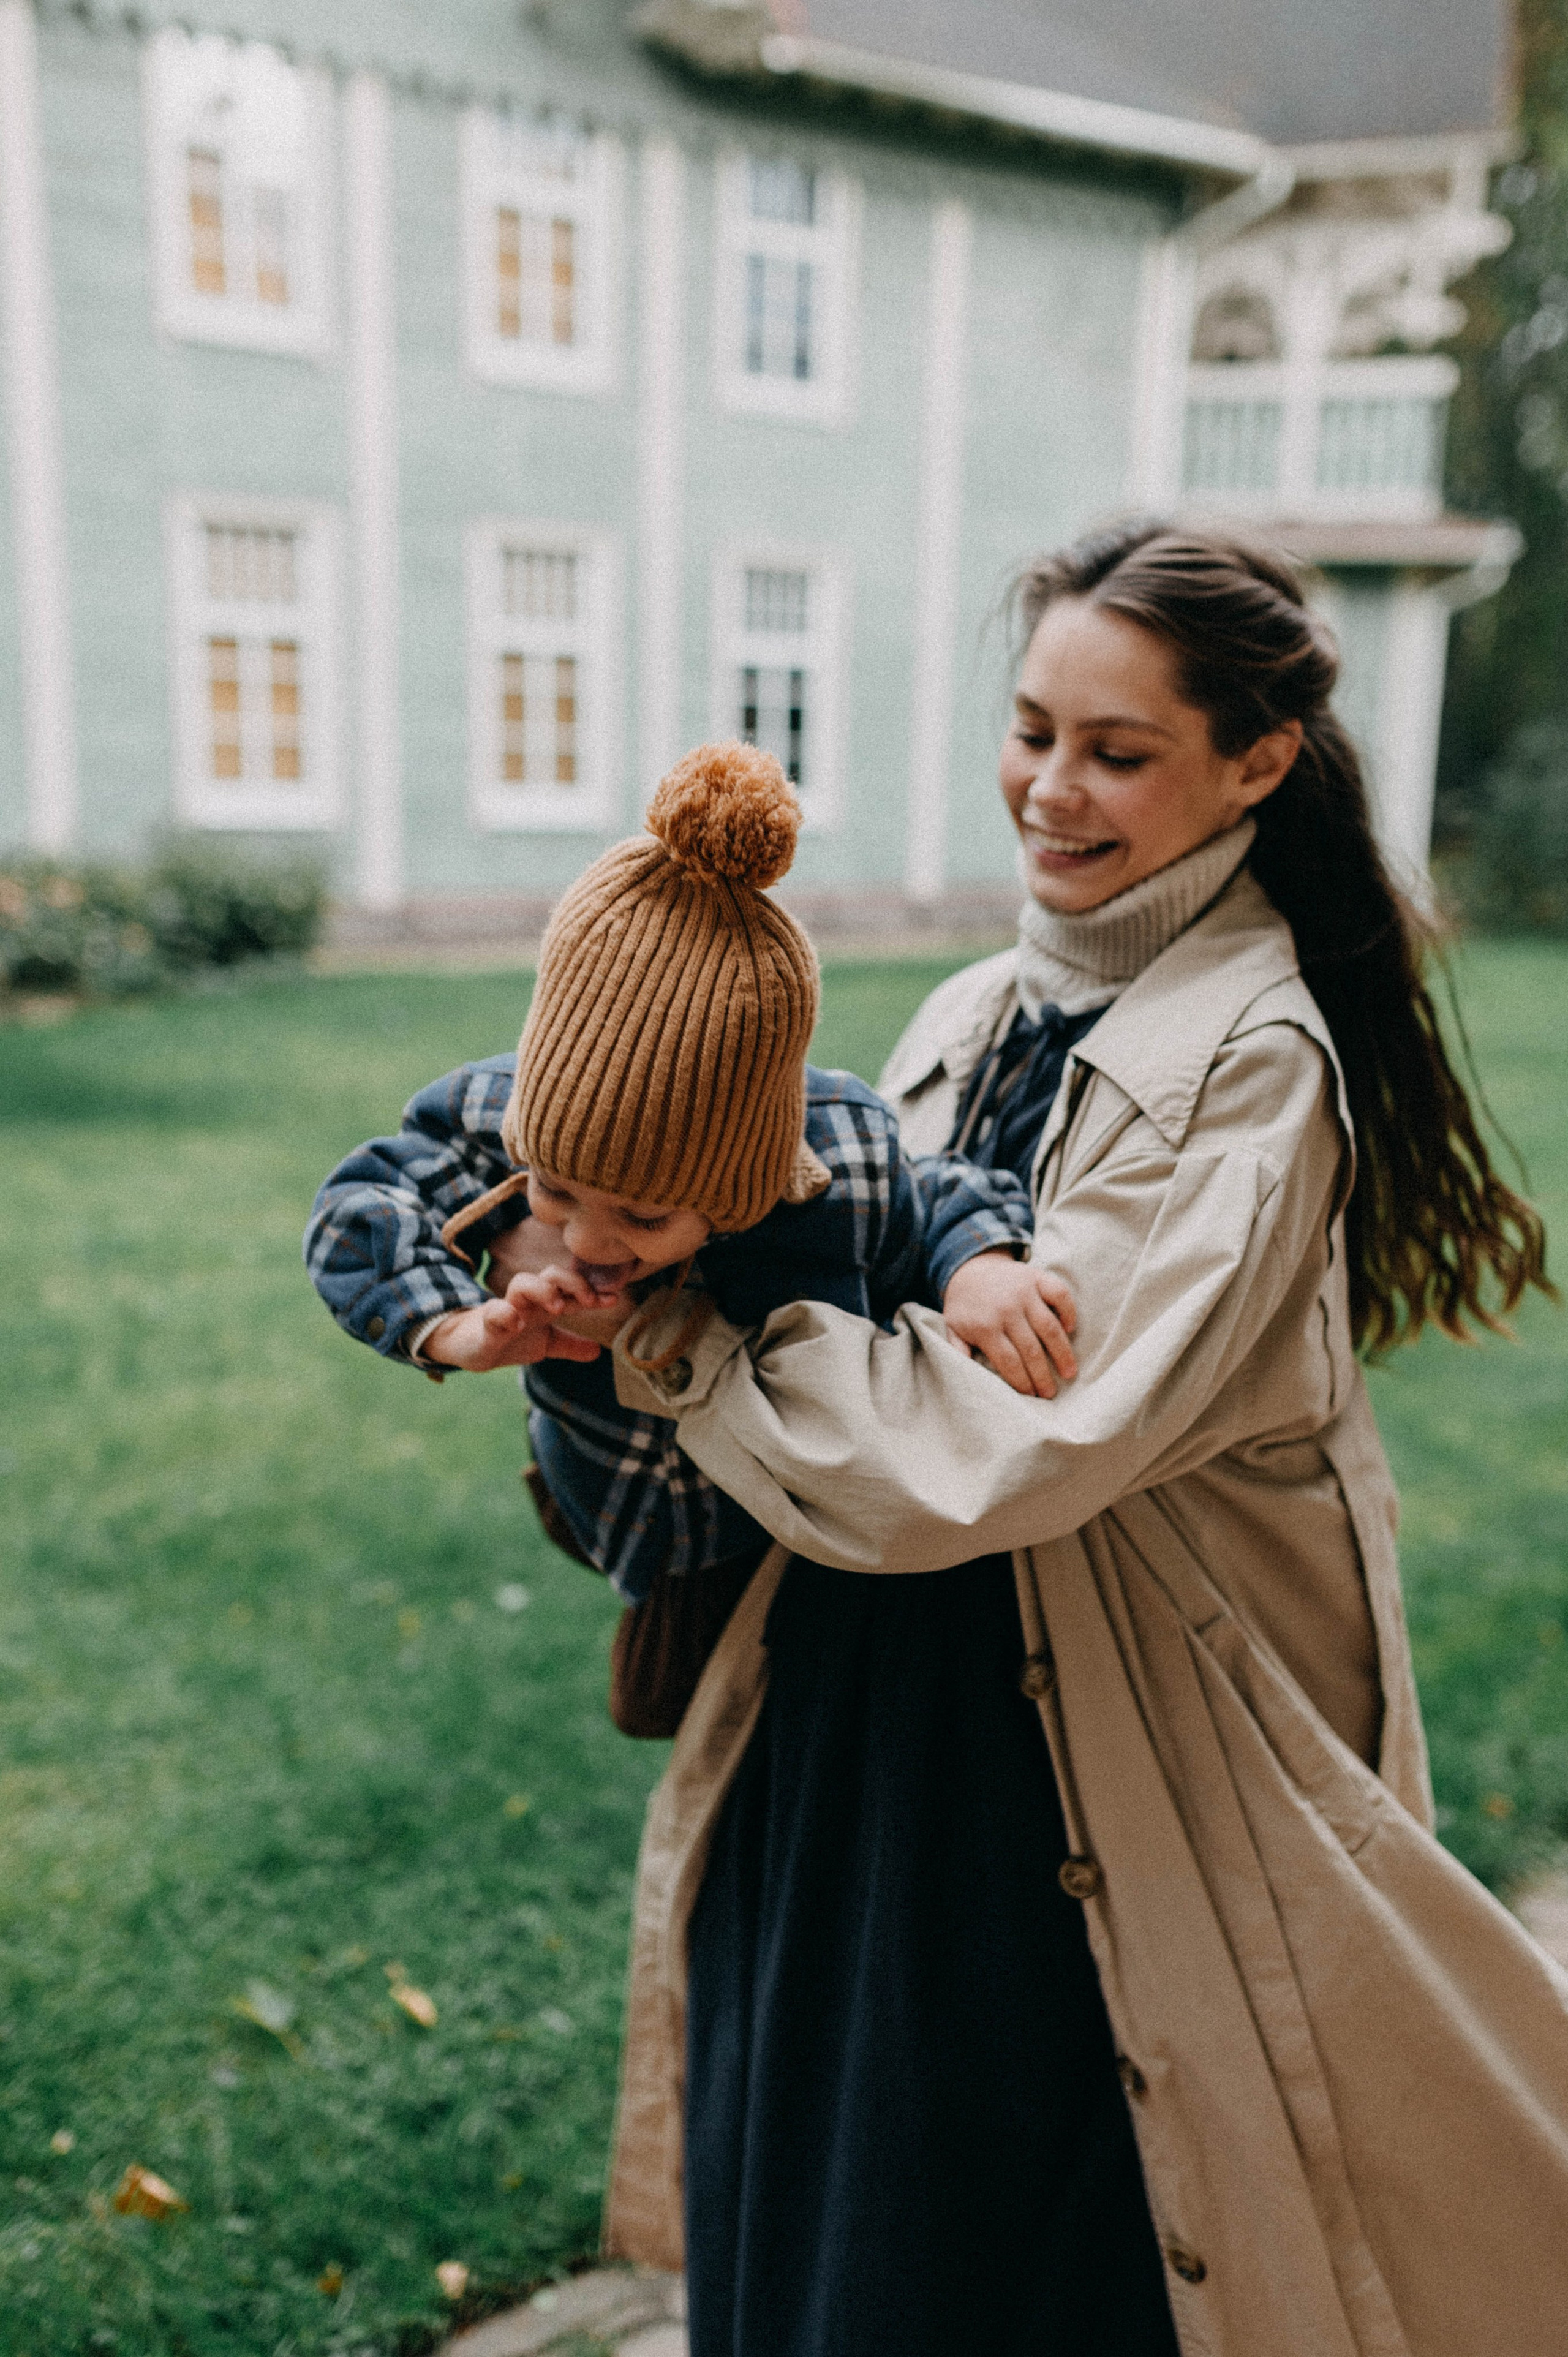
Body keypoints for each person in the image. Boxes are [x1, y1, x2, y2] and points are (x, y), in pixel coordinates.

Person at [588, 524, 1567, 2357]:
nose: (1050, 788)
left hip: (1066, 1791)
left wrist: (668, 1336)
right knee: (820, 2219)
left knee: (1006, 2261)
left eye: (1117, 751)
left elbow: (969, 1465)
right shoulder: (981, 1003)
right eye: (1032, 729)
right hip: (862, 1737)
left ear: (1257, 762)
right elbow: (839, 1261)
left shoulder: (1255, 1068)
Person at [303, 742, 1071, 1610]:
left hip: (783, 1540)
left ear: (738, 1187)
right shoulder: (508, 1111)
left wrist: (979, 1264)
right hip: (613, 1514)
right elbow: (355, 1209)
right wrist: (454, 1327)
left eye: (641, 1215)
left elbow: (938, 1194)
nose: (586, 1239)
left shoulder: (843, 1158)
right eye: (555, 1190)